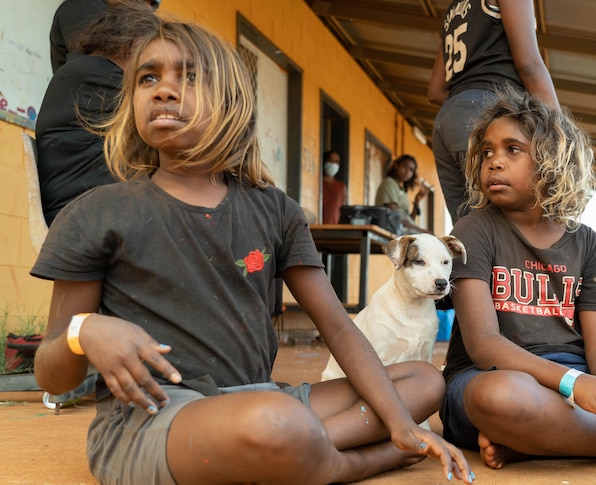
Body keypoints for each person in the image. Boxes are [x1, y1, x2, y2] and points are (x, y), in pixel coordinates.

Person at [31, 19, 473, 485]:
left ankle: (294, 447)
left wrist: (401, 422)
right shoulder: (96, 213)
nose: (163, 90)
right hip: (153, 419)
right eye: (148, 77)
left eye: (189, 76)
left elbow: (338, 326)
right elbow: (52, 377)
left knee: (424, 383)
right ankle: (342, 461)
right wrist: (85, 331)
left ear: (232, 104)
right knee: (276, 422)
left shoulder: (273, 210)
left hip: (260, 398)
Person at [440, 85, 596, 470]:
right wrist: (576, 385)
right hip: (495, 377)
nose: (494, 162)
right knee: (502, 398)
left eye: (512, 150)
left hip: (583, 375)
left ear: (552, 160)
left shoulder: (587, 245)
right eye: (487, 151)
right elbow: (483, 344)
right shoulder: (474, 230)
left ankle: (540, 442)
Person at [428, 0, 559, 224]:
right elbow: (529, 65)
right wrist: (559, 127)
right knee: (502, 229)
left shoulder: (454, 9)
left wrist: (466, 102)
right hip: (487, 115)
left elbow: (435, 91)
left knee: (468, 229)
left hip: (448, 122)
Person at [37, 0, 161, 226]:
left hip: (89, 213)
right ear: (131, 43)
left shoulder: (84, 73)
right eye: (151, 69)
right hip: (87, 221)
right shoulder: (98, 75)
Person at [49, 0, 161, 74]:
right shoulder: (84, 7)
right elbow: (97, 71)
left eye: (153, 5)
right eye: (139, 1)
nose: (148, 11)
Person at [375, 154, 431, 235]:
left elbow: (409, 220)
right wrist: (421, 230)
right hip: (392, 229)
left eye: (411, 170)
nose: (407, 172)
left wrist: (417, 201)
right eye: (405, 166)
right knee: (427, 238)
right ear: (396, 166)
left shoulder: (403, 191)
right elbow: (395, 218)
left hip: (402, 228)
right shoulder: (389, 183)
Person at [321, 149, 346, 224]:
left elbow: (343, 211)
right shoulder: (317, 184)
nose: (333, 164)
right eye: (331, 161)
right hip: (317, 228)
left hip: (334, 229)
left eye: (336, 162)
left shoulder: (341, 187)